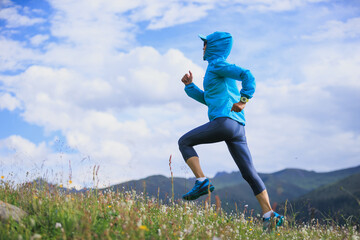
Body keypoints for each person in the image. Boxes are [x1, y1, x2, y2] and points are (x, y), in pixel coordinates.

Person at [178, 31, 284, 231]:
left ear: (215, 46)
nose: (203, 48)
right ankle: (269, 214)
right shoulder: (214, 70)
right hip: (237, 127)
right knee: (249, 172)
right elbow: (208, 99)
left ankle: (201, 181)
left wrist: (244, 100)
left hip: (225, 122)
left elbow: (247, 75)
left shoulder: (217, 65)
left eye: (205, 44)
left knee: (184, 142)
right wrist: (190, 87)